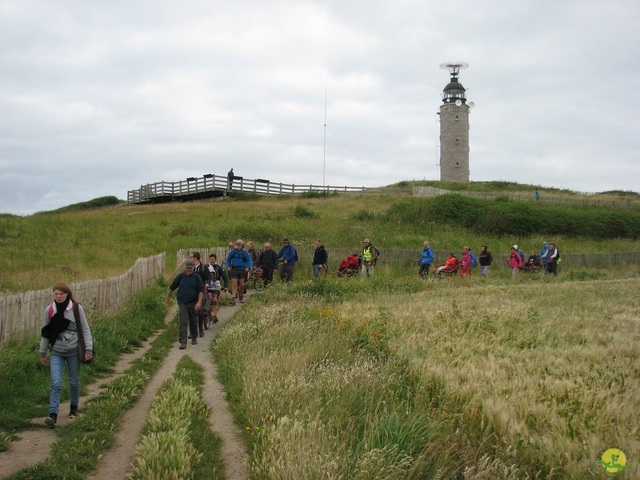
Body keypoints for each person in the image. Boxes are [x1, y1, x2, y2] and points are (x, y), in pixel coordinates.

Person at [40, 282, 94, 427]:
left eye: (61, 294)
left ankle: (74, 408)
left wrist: (88, 349)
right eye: (56, 294)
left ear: (67, 294)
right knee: (56, 383)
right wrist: (42, 352)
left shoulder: (76, 308)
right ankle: (52, 414)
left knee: (73, 381)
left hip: (73, 352)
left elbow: (85, 329)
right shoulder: (50, 310)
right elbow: (46, 333)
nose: (58, 297)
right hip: (56, 352)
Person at [166, 260, 204, 349]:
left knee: (193, 320)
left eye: (191, 268)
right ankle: (183, 341)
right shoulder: (180, 277)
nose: (189, 270)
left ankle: (194, 336)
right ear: (185, 268)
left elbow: (201, 291)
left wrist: (199, 302)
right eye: (188, 268)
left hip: (193, 303)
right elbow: (172, 287)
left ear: (193, 268)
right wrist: (167, 296)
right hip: (182, 302)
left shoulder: (197, 278)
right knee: (183, 321)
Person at [190, 252, 211, 337]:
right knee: (191, 313)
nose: (190, 259)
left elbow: (209, 277)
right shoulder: (190, 268)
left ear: (195, 258)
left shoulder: (203, 267)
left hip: (201, 292)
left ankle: (201, 329)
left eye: (191, 257)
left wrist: (207, 284)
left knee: (200, 311)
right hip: (191, 292)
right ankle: (192, 332)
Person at [226, 239, 252, 304]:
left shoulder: (244, 252)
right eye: (236, 243)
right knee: (234, 283)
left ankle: (241, 296)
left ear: (241, 245)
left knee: (242, 284)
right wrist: (228, 266)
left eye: (239, 244)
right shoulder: (232, 252)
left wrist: (247, 267)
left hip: (242, 269)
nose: (237, 245)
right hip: (234, 269)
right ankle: (233, 297)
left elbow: (249, 260)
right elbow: (228, 260)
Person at [207, 253, 229, 324]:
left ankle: (215, 315)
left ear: (215, 260)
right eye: (210, 259)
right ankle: (208, 313)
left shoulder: (218, 268)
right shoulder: (206, 268)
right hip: (209, 286)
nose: (212, 261)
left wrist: (225, 286)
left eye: (213, 259)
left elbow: (225, 277)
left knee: (215, 301)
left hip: (216, 286)